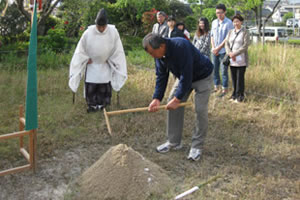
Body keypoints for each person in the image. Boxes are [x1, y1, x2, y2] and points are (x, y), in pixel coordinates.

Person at [142, 33, 214, 161]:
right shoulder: (158, 54)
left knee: (200, 109)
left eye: (153, 53)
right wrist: (156, 98)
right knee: (171, 104)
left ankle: (197, 147)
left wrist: (178, 98)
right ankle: (174, 142)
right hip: (183, 77)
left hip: (202, 76)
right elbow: (161, 76)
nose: (152, 56)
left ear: (162, 46)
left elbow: (187, 74)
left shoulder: (181, 46)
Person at [69, 8, 127, 113]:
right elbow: (80, 50)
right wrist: (85, 59)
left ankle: (103, 105)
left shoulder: (113, 32)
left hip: (105, 64)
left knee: (104, 86)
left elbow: (118, 50)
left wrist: (110, 59)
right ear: (95, 24)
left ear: (106, 25)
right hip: (92, 64)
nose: (101, 29)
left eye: (103, 26)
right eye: (99, 26)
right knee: (91, 87)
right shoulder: (88, 33)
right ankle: (92, 105)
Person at [225, 14, 250, 103]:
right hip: (232, 59)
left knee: (240, 78)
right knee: (234, 77)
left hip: (241, 59)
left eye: (237, 21)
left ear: (241, 22)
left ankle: (240, 96)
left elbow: (245, 46)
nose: (235, 23)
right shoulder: (230, 32)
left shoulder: (245, 32)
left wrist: (235, 53)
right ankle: (234, 94)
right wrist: (229, 53)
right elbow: (226, 43)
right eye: (234, 21)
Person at [211, 4, 233, 96]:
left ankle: (225, 89)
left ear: (225, 12)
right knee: (214, 70)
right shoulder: (214, 22)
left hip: (224, 51)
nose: (219, 14)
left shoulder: (229, 23)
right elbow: (212, 35)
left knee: (223, 70)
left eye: (221, 12)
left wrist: (218, 48)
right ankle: (216, 87)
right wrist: (213, 47)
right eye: (217, 13)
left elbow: (227, 38)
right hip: (214, 50)